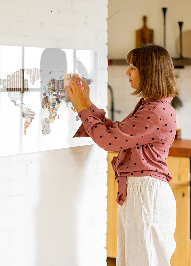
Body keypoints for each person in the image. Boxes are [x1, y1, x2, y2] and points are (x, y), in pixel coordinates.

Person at [66, 44, 178, 266]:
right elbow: (117, 133)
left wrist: (81, 108)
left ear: (149, 72)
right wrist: (87, 104)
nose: (127, 72)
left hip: (146, 195)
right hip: (141, 193)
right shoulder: (151, 106)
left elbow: (109, 141)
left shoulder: (155, 111)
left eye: (133, 67)